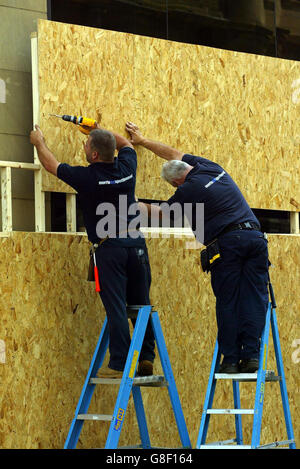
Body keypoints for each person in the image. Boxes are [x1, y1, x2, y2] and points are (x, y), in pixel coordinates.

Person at [125, 121, 269, 373]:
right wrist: (143, 140)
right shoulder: (209, 167)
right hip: (256, 239)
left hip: (229, 245)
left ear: (176, 184)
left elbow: (164, 213)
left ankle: (232, 360)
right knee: (255, 298)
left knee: (228, 300)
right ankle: (253, 357)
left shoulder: (188, 189)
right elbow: (173, 153)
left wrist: (135, 205)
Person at [30, 123, 155, 378]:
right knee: (142, 304)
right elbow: (127, 145)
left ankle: (120, 363)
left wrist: (38, 142)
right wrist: (99, 131)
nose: (84, 147)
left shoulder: (88, 178)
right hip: (136, 245)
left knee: (116, 306)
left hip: (111, 250)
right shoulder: (127, 168)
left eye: (87, 145)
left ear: (95, 155)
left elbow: (52, 165)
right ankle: (147, 357)